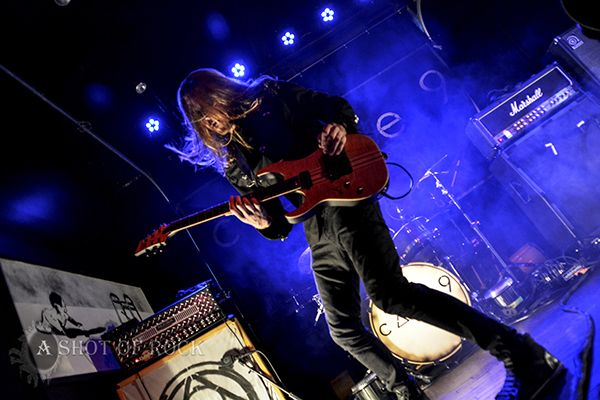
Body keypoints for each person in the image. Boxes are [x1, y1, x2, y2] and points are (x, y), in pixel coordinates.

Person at [168, 68, 564, 400]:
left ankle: (522, 355)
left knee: (391, 294)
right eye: (200, 118)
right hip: (316, 230)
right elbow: (278, 223)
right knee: (343, 329)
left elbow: (336, 107)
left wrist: (338, 128)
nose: (210, 120)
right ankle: (409, 395)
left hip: (347, 198)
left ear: (223, 94)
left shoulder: (271, 95)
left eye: (209, 106)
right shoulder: (235, 164)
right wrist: (261, 223)